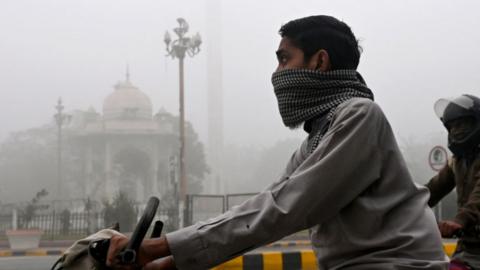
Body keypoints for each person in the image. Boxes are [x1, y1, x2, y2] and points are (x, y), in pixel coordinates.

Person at [106, 15, 448, 270]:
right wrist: (167, 261)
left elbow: (285, 208)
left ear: (320, 61)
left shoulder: (359, 116)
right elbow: (265, 205)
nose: (276, 72)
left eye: (285, 59)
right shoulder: (317, 137)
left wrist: (158, 247)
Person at [426, 94, 480, 269]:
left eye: (461, 124)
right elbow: (431, 190)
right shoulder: (456, 161)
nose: (456, 130)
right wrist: (402, 204)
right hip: (467, 248)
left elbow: (478, 198)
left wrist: (460, 220)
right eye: (452, 126)